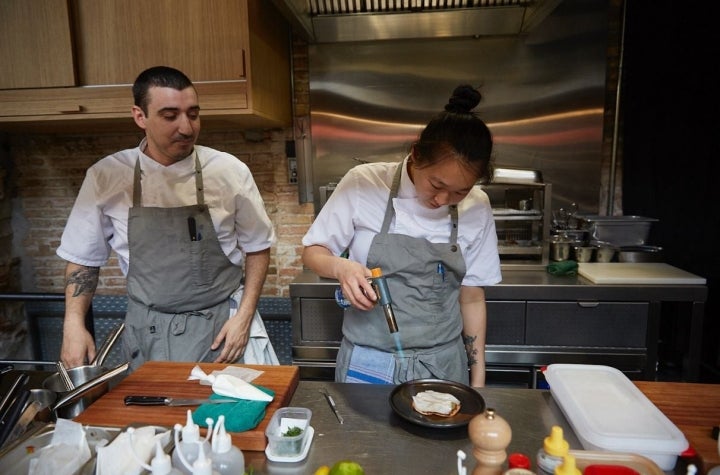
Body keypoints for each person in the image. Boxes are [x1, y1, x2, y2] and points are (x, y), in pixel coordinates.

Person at [57, 66, 276, 371]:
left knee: (224, 418)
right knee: (150, 418)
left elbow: (258, 248)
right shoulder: (106, 176)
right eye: (170, 116)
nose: (186, 128)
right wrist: (73, 325)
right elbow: (83, 260)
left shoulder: (229, 171)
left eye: (193, 114)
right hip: (146, 333)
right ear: (140, 116)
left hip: (220, 331)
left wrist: (244, 317)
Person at [302, 85, 501, 387]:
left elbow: (471, 297)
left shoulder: (478, 206)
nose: (443, 199)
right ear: (416, 154)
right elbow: (313, 252)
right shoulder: (364, 183)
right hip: (369, 363)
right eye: (436, 184)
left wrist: (479, 378)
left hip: (442, 366)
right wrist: (341, 267)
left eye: (460, 191)